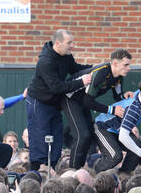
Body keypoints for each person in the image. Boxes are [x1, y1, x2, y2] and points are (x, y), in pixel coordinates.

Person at [26, 29, 92, 171]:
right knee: (40, 142)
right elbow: (57, 87)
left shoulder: (66, 55)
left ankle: (53, 168)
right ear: (58, 43)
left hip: (54, 104)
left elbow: (75, 68)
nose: (72, 45)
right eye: (69, 43)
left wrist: (95, 68)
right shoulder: (45, 61)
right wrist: (82, 82)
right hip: (39, 102)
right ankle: (36, 174)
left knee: (57, 138)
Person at [62, 49, 132, 169]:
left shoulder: (118, 77)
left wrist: (124, 95)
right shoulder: (101, 73)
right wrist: (112, 110)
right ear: (114, 63)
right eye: (125, 65)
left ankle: (85, 168)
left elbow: (117, 96)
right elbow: (88, 102)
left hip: (83, 101)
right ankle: (72, 171)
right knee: (82, 135)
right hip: (70, 98)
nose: (129, 68)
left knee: (89, 134)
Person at [93, 77, 141, 173]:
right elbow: (123, 137)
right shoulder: (134, 109)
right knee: (115, 156)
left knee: (138, 146)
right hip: (102, 127)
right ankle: (95, 175)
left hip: (117, 129)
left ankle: (123, 175)